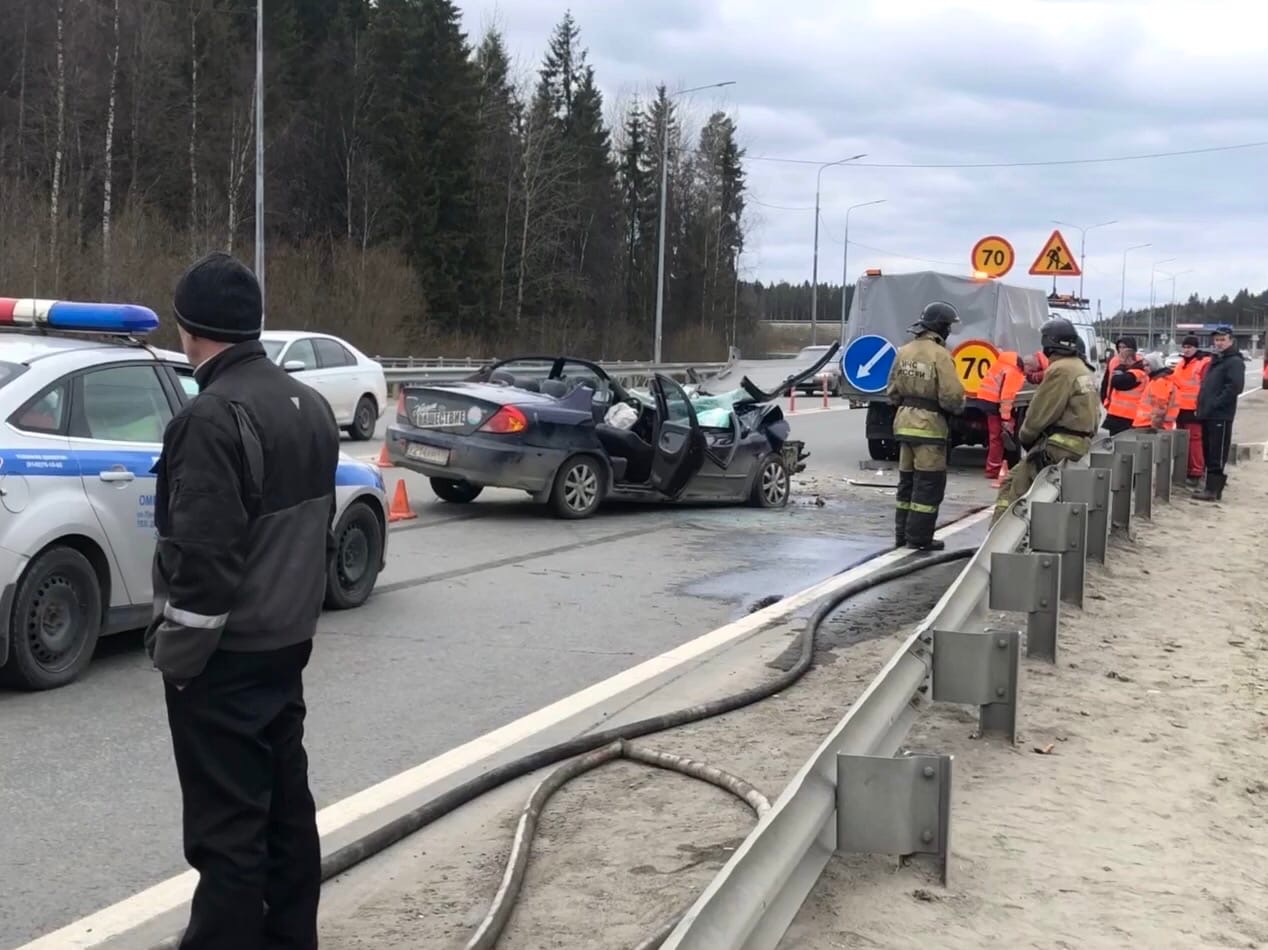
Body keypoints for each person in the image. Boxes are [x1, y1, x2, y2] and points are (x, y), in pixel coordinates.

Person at [147, 252, 340, 950]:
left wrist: (178, 661)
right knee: (287, 815)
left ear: (189, 330)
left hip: (225, 663)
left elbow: (201, 565)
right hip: (285, 652)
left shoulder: (211, 420)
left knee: (226, 838)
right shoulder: (310, 407)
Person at [992, 318, 1099, 522]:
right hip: (1078, 444)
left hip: (1058, 445)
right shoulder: (1082, 368)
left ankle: (1002, 542)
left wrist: (1025, 437)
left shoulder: (1060, 370)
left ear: (1048, 343)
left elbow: (1041, 412)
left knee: (1014, 487)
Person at [885, 300, 965, 550]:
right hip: (929, 427)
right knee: (928, 486)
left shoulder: (904, 351)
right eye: (949, 326)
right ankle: (919, 539)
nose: (950, 331)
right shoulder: (941, 355)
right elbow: (951, 396)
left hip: (904, 424)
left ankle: (902, 536)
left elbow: (892, 391)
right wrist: (957, 409)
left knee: (906, 484)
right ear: (941, 327)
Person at [1192, 325, 1245, 501]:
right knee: (1208, 451)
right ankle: (1211, 488)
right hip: (1208, 414)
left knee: (1217, 452)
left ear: (1230, 340)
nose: (1219, 343)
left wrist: (1215, 404)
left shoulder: (1234, 362)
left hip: (1220, 415)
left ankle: (1213, 491)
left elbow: (1234, 387)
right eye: (1216, 340)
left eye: (1222, 340)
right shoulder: (1216, 360)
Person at [977, 349, 1046, 479]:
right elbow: (1007, 398)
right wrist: (1006, 420)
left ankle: (994, 467)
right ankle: (993, 470)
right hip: (992, 402)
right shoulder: (1014, 373)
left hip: (985, 398)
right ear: (1027, 366)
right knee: (997, 438)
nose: (1029, 375)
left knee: (996, 437)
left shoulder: (1009, 362)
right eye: (1031, 371)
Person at [1172, 335, 1211, 487]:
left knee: (1195, 441)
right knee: (1182, 441)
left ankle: (1195, 472)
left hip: (1194, 409)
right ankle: (1184, 470)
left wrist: (1201, 407)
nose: (1187, 350)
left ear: (1196, 347)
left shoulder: (1203, 362)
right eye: (1185, 347)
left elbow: (1206, 386)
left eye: (1190, 347)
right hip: (1180, 408)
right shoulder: (1181, 363)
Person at [1101, 341, 1147, 435]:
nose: (1120, 361)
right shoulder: (1134, 371)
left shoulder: (1137, 373)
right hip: (1121, 417)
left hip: (1126, 417)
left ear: (1129, 359)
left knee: (1122, 446)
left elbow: (1116, 382)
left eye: (1122, 359)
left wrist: (1120, 366)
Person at [1131, 353, 1179, 431]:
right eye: (1144, 366)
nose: (1145, 368)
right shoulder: (1158, 380)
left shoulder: (1159, 381)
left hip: (1149, 425)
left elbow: (1160, 408)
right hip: (1150, 424)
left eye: (1147, 365)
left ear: (1154, 365)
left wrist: (1155, 428)